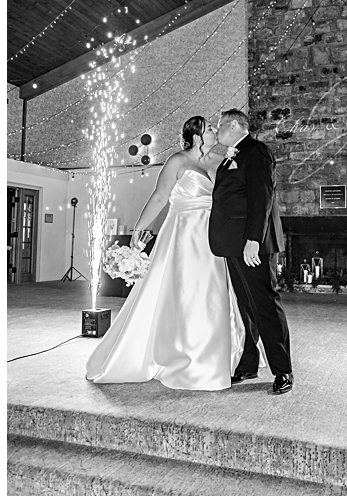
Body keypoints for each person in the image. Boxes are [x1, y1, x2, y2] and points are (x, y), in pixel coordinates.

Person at [86, 116, 245, 390]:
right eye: (209, 129)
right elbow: (160, 197)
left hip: (210, 239)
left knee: (210, 295)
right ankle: (178, 354)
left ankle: (210, 355)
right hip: (183, 236)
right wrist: (139, 228)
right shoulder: (178, 160)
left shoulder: (213, 164)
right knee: (182, 292)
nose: (214, 132)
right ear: (196, 135)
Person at [209, 109, 293, 395]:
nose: (217, 131)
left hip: (251, 245)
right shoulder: (231, 156)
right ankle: (248, 363)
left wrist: (253, 240)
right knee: (246, 307)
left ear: (234, 124)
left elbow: (262, 197)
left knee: (265, 305)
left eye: (220, 126)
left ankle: (282, 370)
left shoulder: (256, 151)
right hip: (233, 244)